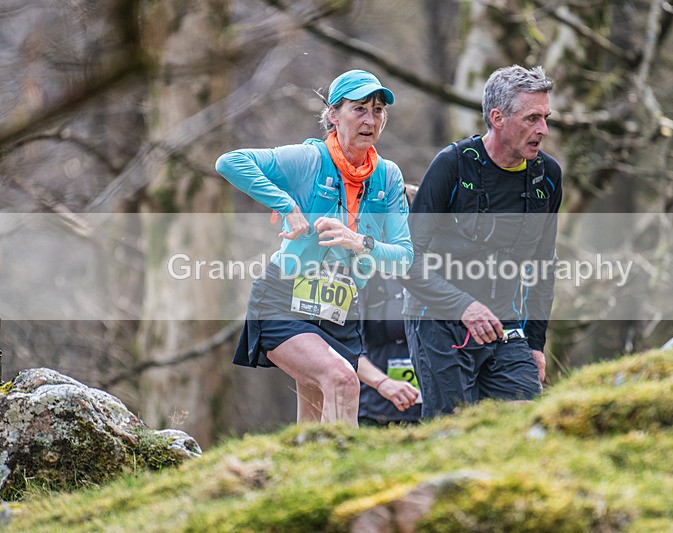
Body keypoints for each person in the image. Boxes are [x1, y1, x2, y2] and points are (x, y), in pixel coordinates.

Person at [215, 69, 413, 426]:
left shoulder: (388, 176)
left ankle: (303, 477)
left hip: (341, 312)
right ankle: (347, 477)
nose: (371, 120)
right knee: (341, 379)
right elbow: (231, 162)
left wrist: (361, 243)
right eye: (360, 109)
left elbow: (403, 256)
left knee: (315, 418)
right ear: (334, 116)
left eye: (379, 110)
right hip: (284, 299)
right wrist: (288, 206)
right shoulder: (310, 160)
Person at [401, 65, 562, 418]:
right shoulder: (452, 166)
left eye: (546, 118)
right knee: (454, 430)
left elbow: (543, 267)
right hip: (439, 323)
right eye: (532, 118)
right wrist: (464, 306)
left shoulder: (548, 176)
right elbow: (406, 258)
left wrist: (536, 342)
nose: (543, 130)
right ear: (498, 117)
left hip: (507, 326)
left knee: (524, 423)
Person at [356, 185, 422, 425]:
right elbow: (344, 348)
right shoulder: (362, 275)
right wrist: (383, 383)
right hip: (375, 412)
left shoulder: (443, 273)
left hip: (437, 413)